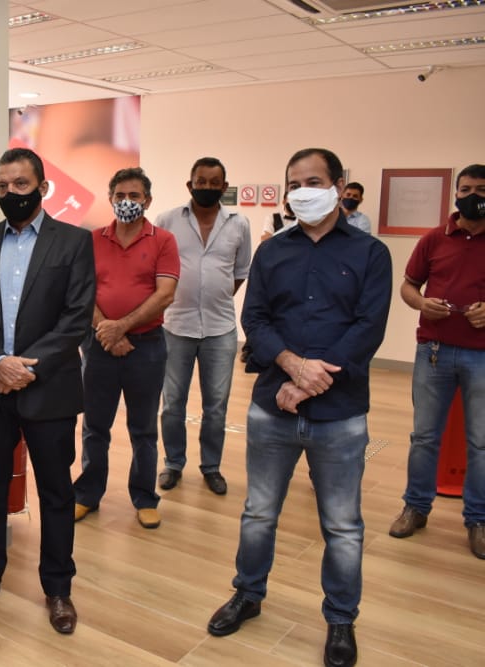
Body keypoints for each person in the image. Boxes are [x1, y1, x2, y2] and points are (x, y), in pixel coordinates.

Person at [207, 148, 391, 667]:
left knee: (343, 525)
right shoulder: (272, 253)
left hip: (341, 413)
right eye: (293, 184)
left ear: (338, 187)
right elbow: (255, 320)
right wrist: (292, 365)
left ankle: (340, 619)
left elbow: (368, 329)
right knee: (259, 513)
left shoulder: (370, 253)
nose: (302, 192)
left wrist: (310, 382)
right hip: (273, 406)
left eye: (313, 181)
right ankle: (248, 594)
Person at [0, 147, 95, 634]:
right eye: (2, 185)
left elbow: (76, 317)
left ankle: (58, 588)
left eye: (20, 184)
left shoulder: (74, 241)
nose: (10, 193)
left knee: (56, 493)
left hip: (49, 389)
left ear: (42, 188)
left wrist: (23, 369)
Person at [389, 163, 485, 560]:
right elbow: (408, 286)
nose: (473, 196)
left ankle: (478, 519)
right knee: (425, 437)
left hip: (482, 355)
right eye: (466, 189)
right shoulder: (434, 238)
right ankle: (416, 507)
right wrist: (422, 303)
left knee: (481, 442)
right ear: (456, 194)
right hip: (434, 351)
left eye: (481, 190)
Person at [73, 167, 179, 528]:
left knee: (143, 428)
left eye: (134, 196)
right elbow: (81, 291)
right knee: (94, 426)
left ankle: (145, 497)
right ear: (110, 199)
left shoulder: (163, 240)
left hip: (147, 347)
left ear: (147, 200)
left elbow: (165, 294)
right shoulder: (92, 240)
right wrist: (108, 331)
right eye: (120, 195)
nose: (127, 202)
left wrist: (121, 327)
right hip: (99, 344)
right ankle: (87, 494)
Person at [156, 157, 252, 496]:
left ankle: (211, 467)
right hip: (175, 326)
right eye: (201, 181)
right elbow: (156, 270)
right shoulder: (167, 220)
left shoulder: (239, 224)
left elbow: (240, 272)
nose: (207, 187)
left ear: (224, 187)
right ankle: (173, 463)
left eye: (214, 183)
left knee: (216, 406)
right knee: (172, 404)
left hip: (220, 329)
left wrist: (215, 295)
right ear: (190, 184)